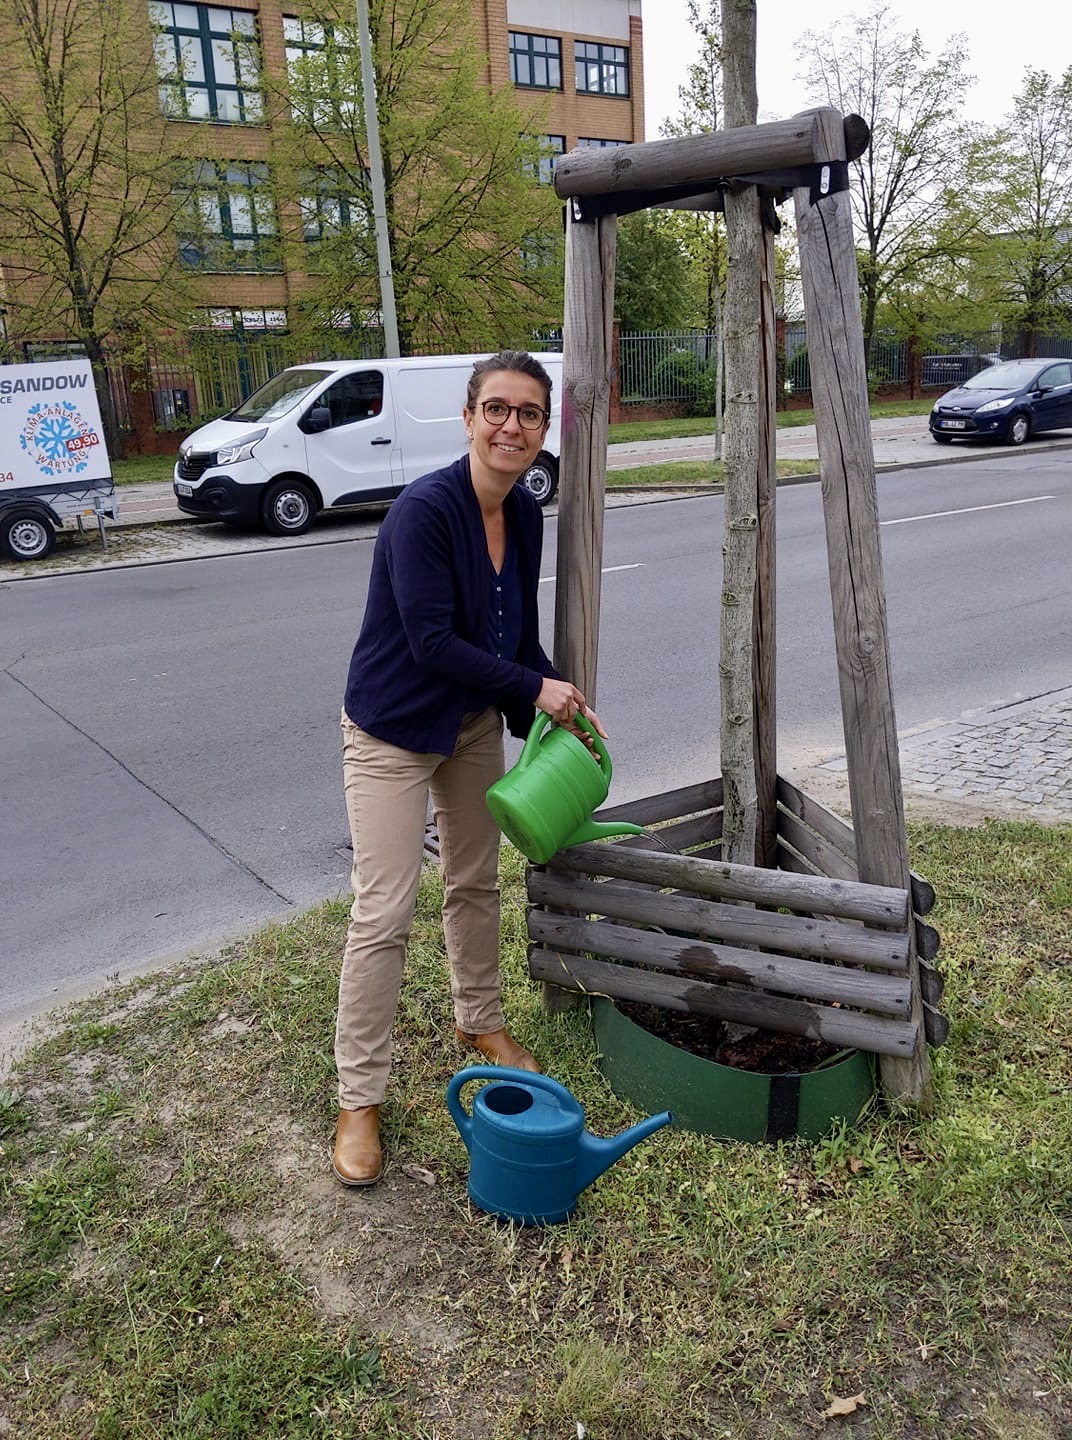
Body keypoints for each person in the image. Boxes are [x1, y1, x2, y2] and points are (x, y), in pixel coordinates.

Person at [333, 350, 605, 1187]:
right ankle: (359, 1098)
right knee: (384, 911)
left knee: (476, 881)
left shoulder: (524, 513)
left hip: (471, 724)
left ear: (542, 427)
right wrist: (536, 687)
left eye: (529, 413)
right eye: (496, 408)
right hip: (391, 730)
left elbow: (511, 638)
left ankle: (478, 1020)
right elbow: (432, 643)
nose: (511, 426)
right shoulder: (423, 513)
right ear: (467, 418)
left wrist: (552, 710)